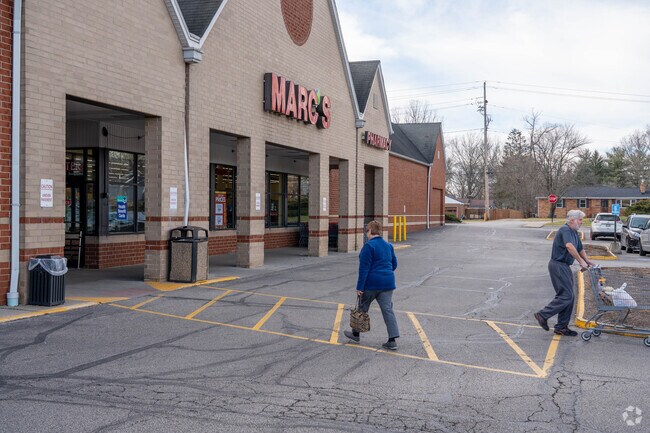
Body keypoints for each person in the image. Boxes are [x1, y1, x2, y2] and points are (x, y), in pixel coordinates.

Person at [535, 209, 595, 336]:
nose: (581, 222)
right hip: (558, 265)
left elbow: (579, 248)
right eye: (580, 220)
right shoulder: (565, 230)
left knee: (570, 296)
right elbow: (569, 246)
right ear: (572, 220)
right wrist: (580, 262)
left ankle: (562, 326)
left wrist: (587, 261)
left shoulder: (574, 232)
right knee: (565, 295)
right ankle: (542, 315)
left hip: (565, 266)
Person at [344, 220, 400, 350]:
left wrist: (359, 287)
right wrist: (385, 273)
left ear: (369, 231)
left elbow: (364, 269)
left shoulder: (369, 247)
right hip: (388, 283)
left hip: (371, 283)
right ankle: (392, 340)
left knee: (362, 309)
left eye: (366, 231)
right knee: (388, 310)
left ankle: (356, 334)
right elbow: (394, 264)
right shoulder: (388, 246)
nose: (366, 234)